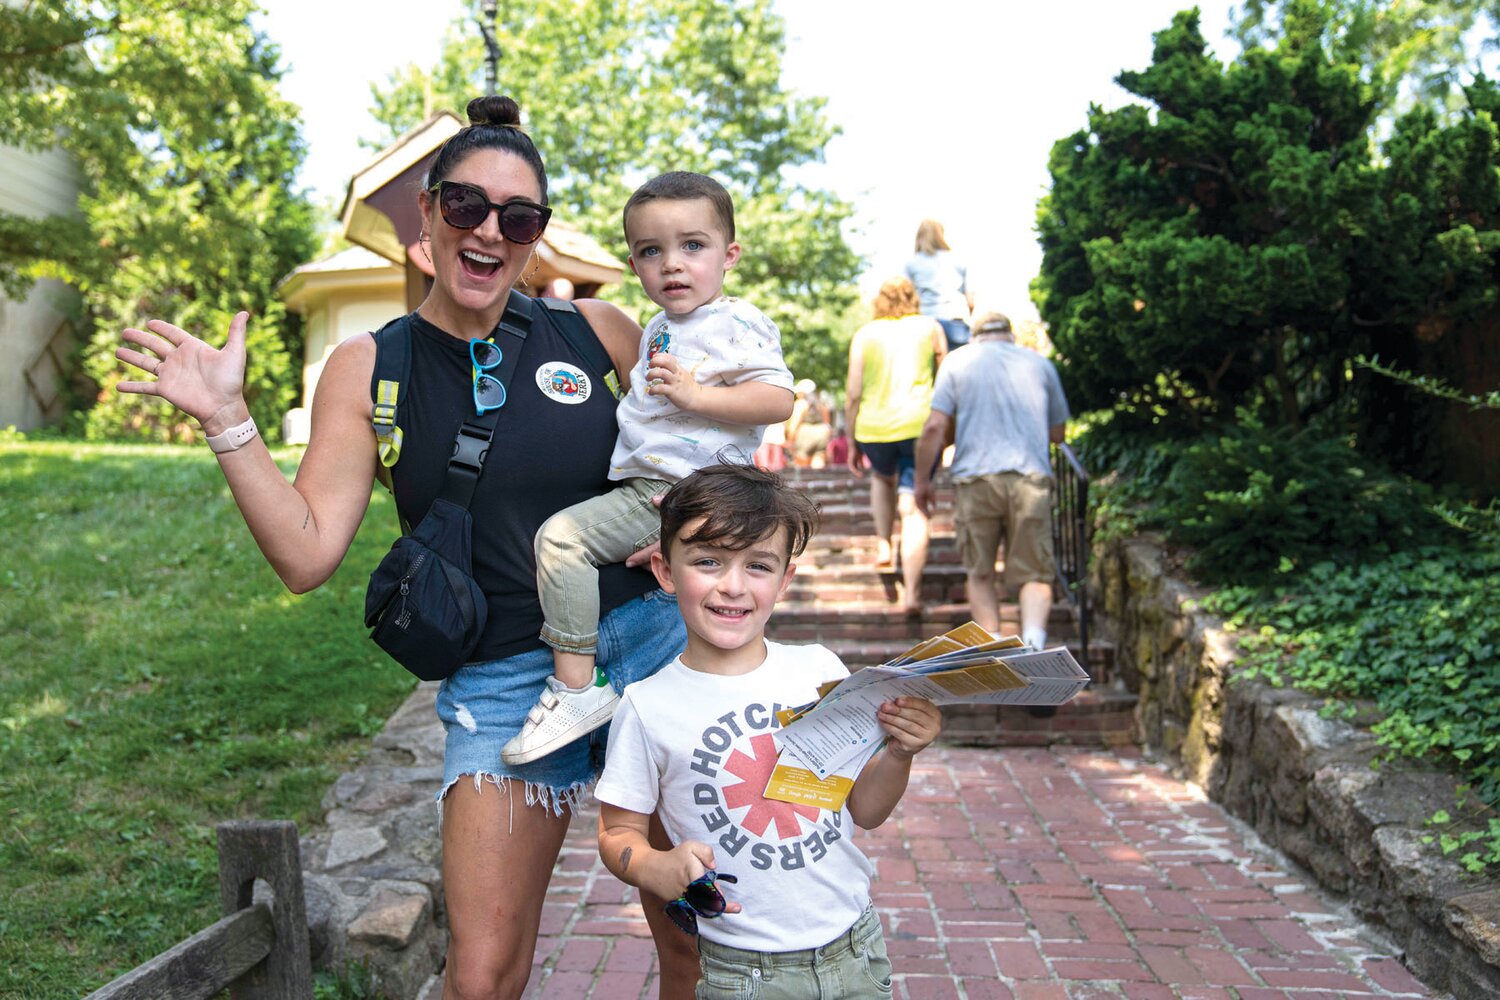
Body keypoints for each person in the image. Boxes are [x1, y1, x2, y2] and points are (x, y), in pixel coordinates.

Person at [115, 95, 701, 1000]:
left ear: (536, 236)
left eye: (519, 217)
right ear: (426, 214)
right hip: (509, 684)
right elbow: (306, 554)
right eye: (466, 205)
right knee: (482, 972)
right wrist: (230, 420)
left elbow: (698, 473)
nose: (490, 231)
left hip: (654, 653)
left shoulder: (601, 333)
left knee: (691, 941)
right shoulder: (369, 365)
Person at [595, 463, 943, 999]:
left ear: (785, 579)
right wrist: (656, 866)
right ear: (665, 571)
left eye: (757, 565)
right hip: (741, 973)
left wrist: (899, 753)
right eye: (708, 561)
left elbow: (865, 810)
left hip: (856, 947)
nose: (732, 586)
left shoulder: (819, 670)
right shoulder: (647, 706)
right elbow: (618, 835)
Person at [506, 171, 795, 767]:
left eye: (693, 245)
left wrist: (697, 397)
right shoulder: (661, 328)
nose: (672, 264)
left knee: (562, 541)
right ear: (634, 264)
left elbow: (777, 400)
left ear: (729, 254)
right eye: (650, 251)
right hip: (658, 492)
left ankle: (575, 689)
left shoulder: (736, 322)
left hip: (676, 490)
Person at [913, 310, 1070, 653]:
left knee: (980, 570)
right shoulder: (1040, 365)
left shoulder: (957, 362)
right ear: (1010, 334)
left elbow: (935, 427)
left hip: (976, 480)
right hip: (1030, 478)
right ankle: (1033, 645)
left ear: (975, 335)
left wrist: (923, 480)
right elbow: (1058, 433)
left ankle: (994, 651)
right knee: (1035, 572)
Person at [844, 276, 946, 615]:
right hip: (919, 426)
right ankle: (912, 595)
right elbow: (946, 380)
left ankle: (884, 544)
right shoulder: (930, 327)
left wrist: (851, 438)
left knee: (881, 478)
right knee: (914, 507)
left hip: (874, 427)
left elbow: (854, 392)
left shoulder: (865, 334)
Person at [904, 219, 973, 352]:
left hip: (924, 325)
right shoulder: (958, 260)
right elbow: (970, 301)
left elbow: (906, 299)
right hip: (955, 324)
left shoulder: (911, 264)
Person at [785, 378, 832, 468]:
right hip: (822, 435)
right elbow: (827, 425)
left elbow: (793, 427)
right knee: (818, 463)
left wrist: (790, 442)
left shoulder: (801, 404)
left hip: (805, 438)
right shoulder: (822, 405)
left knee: (802, 467)